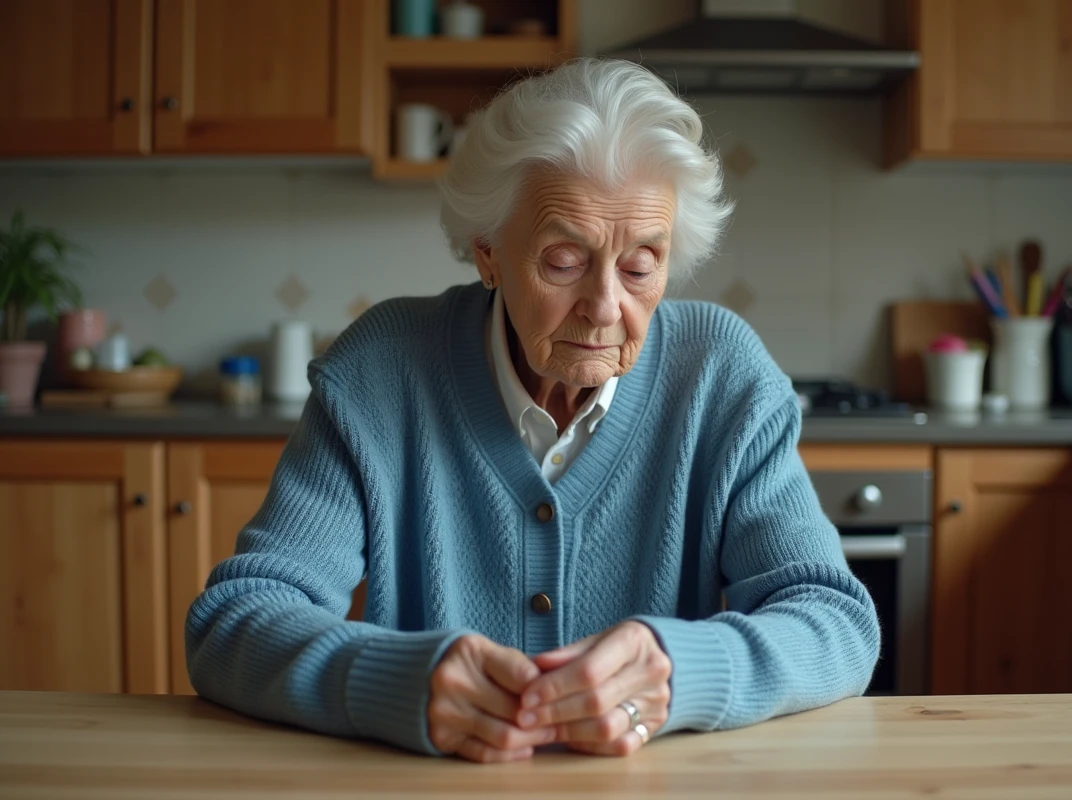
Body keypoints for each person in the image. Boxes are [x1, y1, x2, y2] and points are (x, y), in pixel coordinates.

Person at [186, 58, 880, 764]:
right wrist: (390, 679)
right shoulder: (379, 371)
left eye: (641, 266)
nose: (606, 307)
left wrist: (678, 670)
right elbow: (234, 622)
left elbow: (836, 622)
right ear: (487, 253)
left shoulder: (722, 377)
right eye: (563, 260)